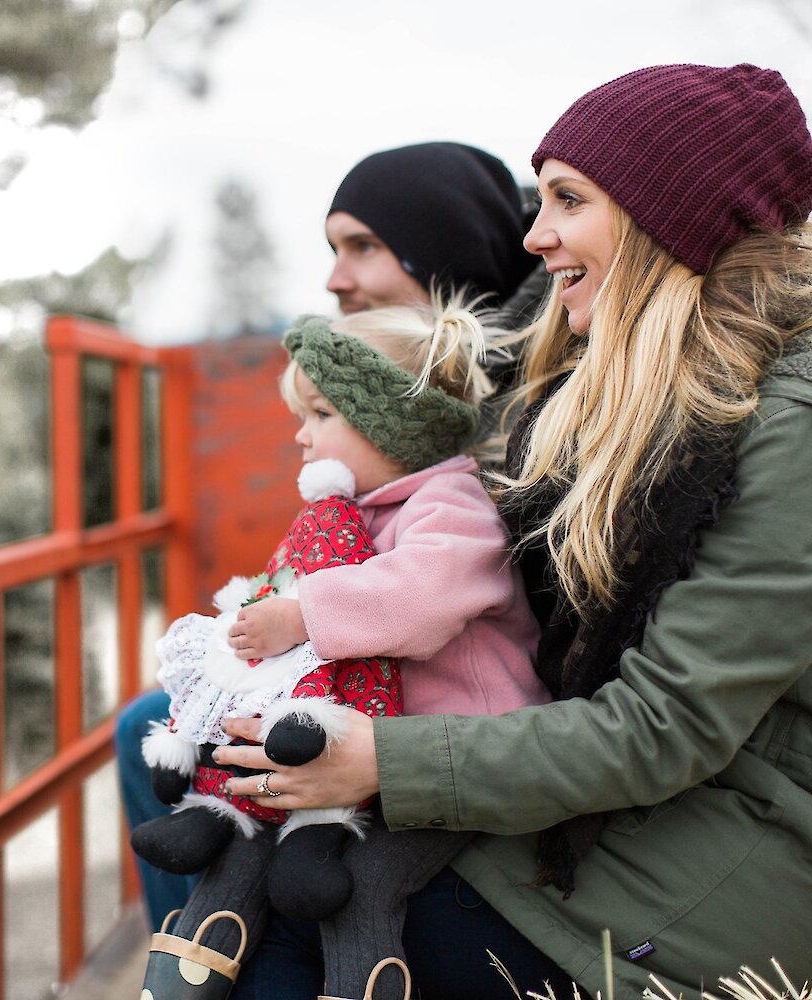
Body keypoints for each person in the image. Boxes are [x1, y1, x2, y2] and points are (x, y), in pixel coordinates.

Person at [214, 62, 812, 999]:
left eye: (568, 200)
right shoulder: (624, 390)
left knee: (279, 934)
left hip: (726, 860)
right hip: (632, 811)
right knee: (260, 874)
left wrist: (381, 762)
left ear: (670, 221)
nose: (535, 236)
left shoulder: (786, 428)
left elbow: (662, 727)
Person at [114, 141, 542, 931]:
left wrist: (303, 613)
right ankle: (200, 941)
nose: (335, 278)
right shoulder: (396, 435)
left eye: (363, 246)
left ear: (444, 252)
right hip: (377, 692)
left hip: (453, 735)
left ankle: (217, 942)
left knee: (161, 732)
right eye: (331, 249)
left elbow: (433, 584)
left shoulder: (500, 412)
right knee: (164, 721)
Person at [137, 298, 549, 996]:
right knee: (244, 831)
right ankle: (185, 969)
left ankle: (362, 983)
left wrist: (302, 615)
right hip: (373, 758)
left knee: (361, 879)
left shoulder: (450, 507)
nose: (301, 436)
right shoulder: (350, 515)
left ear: (392, 424)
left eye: (321, 415)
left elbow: (418, 599)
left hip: (460, 761)